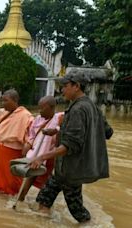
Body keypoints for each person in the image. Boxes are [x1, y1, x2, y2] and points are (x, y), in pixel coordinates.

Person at [29, 72, 111, 223]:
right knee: (44, 198)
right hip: (67, 168)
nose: (62, 90)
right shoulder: (93, 107)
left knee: (78, 212)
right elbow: (107, 132)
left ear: (76, 86)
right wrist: (59, 130)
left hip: (70, 169)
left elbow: (70, 145)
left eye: (65, 86)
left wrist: (41, 157)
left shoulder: (78, 109)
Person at [17, 96, 63, 201]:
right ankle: (21, 199)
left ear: (51, 108)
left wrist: (56, 130)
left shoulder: (61, 117)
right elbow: (32, 135)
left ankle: (43, 203)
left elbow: (65, 128)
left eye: (42, 108)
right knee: (29, 178)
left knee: (49, 185)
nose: (39, 111)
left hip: (51, 157)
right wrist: (27, 145)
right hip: (37, 155)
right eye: (39, 108)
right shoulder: (38, 119)